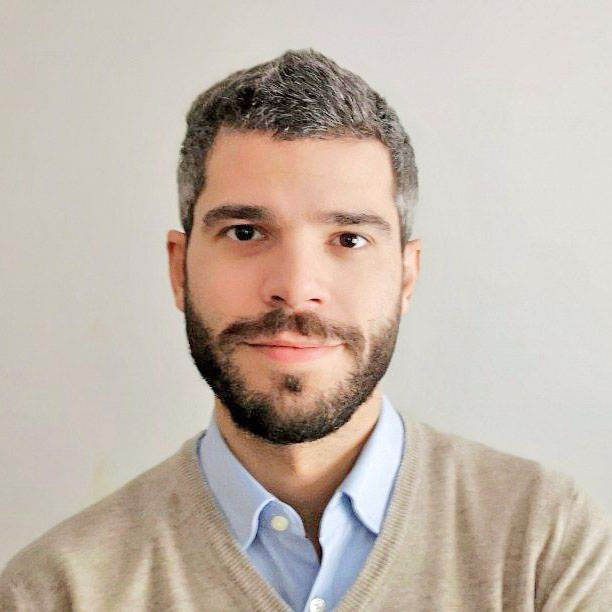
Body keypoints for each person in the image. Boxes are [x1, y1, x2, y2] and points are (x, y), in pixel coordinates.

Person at [1, 48, 611, 612]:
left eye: (349, 239)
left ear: (406, 276)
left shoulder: (548, 548)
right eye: (245, 232)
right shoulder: (56, 592)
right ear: (179, 269)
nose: (295, 288)